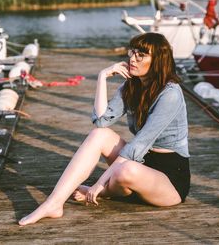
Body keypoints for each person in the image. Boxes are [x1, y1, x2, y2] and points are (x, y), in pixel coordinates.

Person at [18, 32, 190, 226]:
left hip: (170, 178)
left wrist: (99, 182)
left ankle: (104, 190)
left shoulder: (171, 94)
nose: (133, 58)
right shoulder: (131, 86)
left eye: (141, 54)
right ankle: (53, 203)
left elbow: (139, 144)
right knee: (99, 135)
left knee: (125, 171)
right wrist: (103, 77)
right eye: (133, 52)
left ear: (158, 60)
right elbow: (101, 121)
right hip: (141, 161)